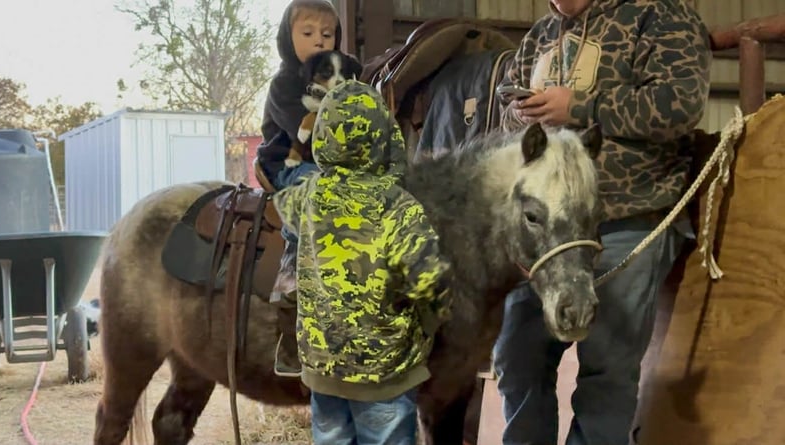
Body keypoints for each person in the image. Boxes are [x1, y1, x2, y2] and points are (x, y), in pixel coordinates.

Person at [493, 0, 711, 444]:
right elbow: (505, 123)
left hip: (626, 214)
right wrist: (519, 114)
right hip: (546, 232)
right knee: (518, 358)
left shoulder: (659, 15)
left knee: (607, 370)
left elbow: (679, 104)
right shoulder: (540, 35)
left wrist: (581, 107)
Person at [273, 79, 452, 445]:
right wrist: (430, 325)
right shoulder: (397, 205)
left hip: (323, 371)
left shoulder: (309, 195)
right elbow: (431, 281)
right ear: (383, 137)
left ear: (323, 136)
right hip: (384, 375)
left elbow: (281, 206)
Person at [256, 0, 342, 311]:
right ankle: (291, 265)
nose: (319, 40)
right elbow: (305, 130)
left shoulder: (339, 82)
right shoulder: (285, 84)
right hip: (288, 162)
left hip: (327, 162)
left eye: (327, 34)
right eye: (308, 33)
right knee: (313, 188)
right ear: (287, 38)